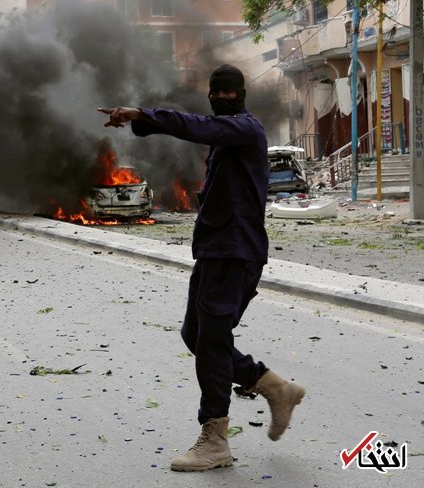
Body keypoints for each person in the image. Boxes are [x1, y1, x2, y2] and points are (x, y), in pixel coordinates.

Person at [98, 64, 305, 472]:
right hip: (215, 251)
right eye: (217, 93)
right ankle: (274, 386)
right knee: (196, 334)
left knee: (211, 338)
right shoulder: (227, 141)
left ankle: (216, 438)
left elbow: (197, 126)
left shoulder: (245, 130)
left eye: (229, 93)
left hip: (235, 252)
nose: (222, 99)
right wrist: (142, 123)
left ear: (241, 95)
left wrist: (143, 115)